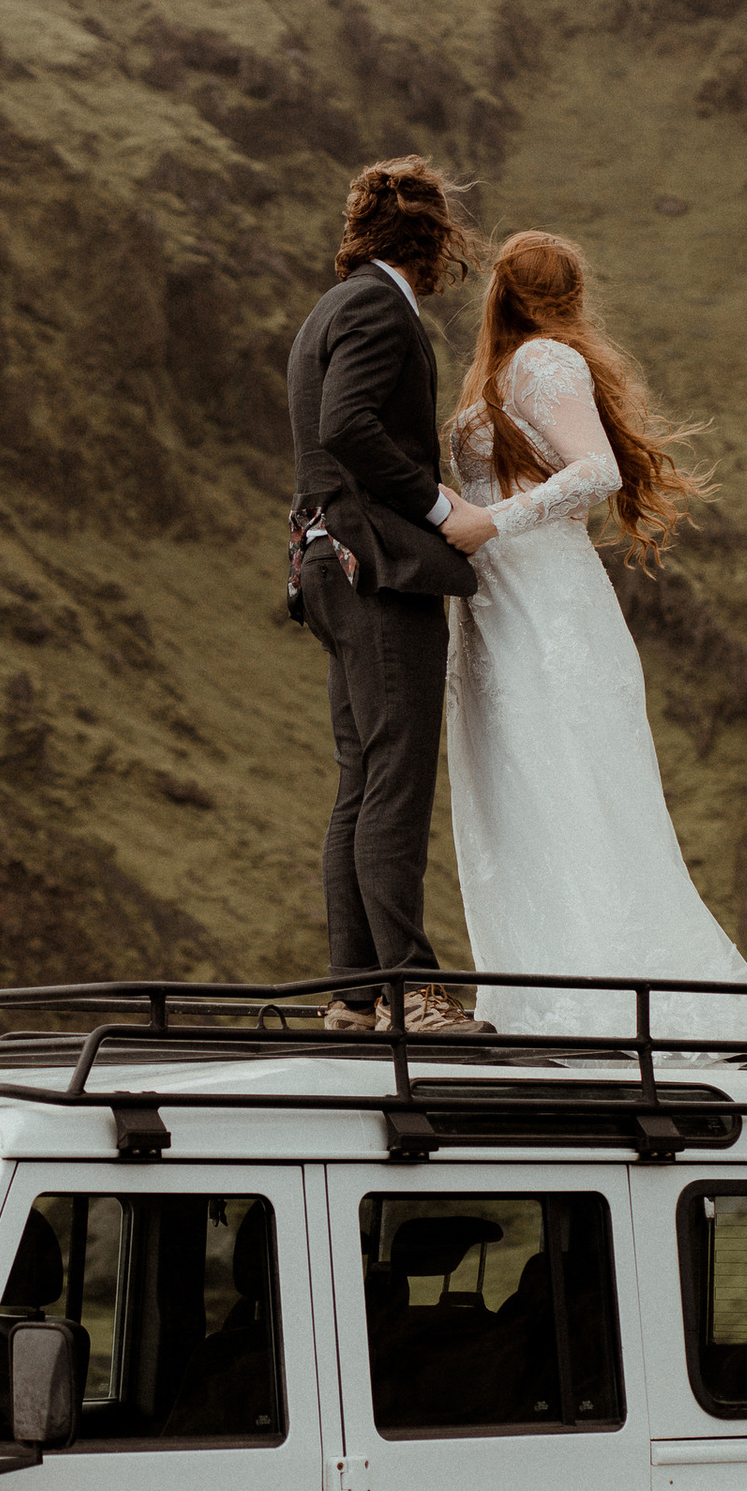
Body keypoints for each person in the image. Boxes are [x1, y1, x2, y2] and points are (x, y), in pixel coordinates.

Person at [435, 228, 747, 1047]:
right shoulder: (503, 369)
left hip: (546, 603)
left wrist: (492, 520)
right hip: (499, 602)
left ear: (502, 288)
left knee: (570, 789)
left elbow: (596, 471)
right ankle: (535, 997)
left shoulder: (542, 364)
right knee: (513, 794)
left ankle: (602, 1003)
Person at [286, 156, 492, 1038]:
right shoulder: (376, 308)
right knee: (395, 781)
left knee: (362, 781)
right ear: (433, 239)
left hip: (327, 567)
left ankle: (355, 997)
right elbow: (347, 426)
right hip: (380, 566)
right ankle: (413, 993)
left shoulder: (327, 310)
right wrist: (443, 506)